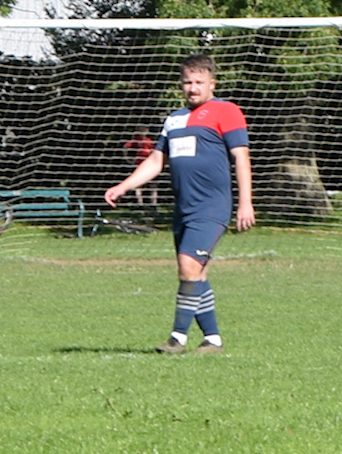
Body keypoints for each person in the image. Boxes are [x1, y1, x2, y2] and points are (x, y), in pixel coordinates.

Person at [102, 53, 254, 353]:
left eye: (199, 82)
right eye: (187, 82)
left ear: (212, 83)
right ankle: (213, 340)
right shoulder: (174, 119)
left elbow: (241, 157)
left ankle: (177, 338)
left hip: (212, 207)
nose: (192, 88)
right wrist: (124, 186)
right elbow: (156, 162)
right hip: (183, 209)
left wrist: (245, 202)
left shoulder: (227, 111)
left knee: (188, 266)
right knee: (196, 272)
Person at [122, 124, 158, 207]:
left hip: (149, 164)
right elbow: (125, 147)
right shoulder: (136, 140)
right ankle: (140, 204)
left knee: (152, 185)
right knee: (139, 185)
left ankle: (153, 204)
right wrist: (128, 159)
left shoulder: (148, 140)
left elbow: (153, 150)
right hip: (139, 164)